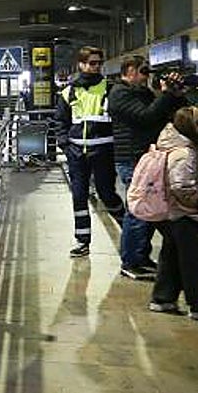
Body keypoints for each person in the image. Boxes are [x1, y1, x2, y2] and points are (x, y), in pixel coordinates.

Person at [108, 55, 188, 279]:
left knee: (149, 210)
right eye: (143, 72)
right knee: (138, 212)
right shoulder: (119, 94)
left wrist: (176, 95)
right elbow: (145, 117)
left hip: (147, 158)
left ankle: (140, 257)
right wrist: (164, 94)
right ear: (130, 71)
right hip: (132, 159)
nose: (145, 77)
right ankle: (130, 261)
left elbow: (174, 115)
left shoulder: (142, 93)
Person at [54, 45, 124, 257]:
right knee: (79, 197)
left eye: (99, 63)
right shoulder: (68, 92)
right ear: (81, 64)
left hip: (103, 153)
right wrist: (66, 146)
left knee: (108, 195)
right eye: (92, 63)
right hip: (77, 154)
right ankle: (82, 241)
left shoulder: (110, 89)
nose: (96, 67)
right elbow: (60, 122)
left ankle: (130, 233)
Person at [146, 106, 198, 319]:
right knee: (192, 259)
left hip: (174, 213)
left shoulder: (176, 145)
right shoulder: (183, 153)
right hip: (184, 213)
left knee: (172, 256)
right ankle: (196, 305)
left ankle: (163, 298)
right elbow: (182, 187)